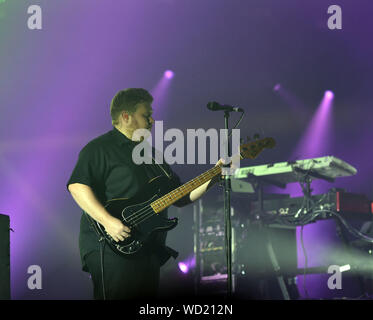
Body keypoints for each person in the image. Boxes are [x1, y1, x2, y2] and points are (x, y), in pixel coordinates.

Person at [67, 88, 222, 300]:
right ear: (126, 117)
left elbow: (181, 197)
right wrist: (109, 222)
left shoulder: (152, 156)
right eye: (146, 114)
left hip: (147, 246)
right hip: (109, 246)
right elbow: (77, 186)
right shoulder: (100, 148)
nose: (151, 120)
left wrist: (215, 175)